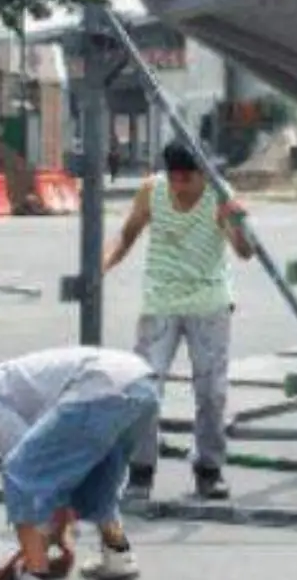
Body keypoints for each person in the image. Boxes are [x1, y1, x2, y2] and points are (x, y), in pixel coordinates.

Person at [106, 141, 254, 501]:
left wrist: (237, 221)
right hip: (161, 302)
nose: (179, 186)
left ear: (202, 173)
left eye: (187, 178)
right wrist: (102, 266)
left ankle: (209, 468)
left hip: (209, 302)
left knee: (211, 391)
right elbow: (127, 234)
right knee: (143, 387)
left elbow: (245, 252)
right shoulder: (152, 190)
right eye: (174, 177)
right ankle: (141, 470)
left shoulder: (221, 194)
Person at [0, 348, 160, 580]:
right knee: (98, 473)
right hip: (141, 385)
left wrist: (49, 535)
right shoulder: (3, 384)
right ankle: (117, 555)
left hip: (101, 388)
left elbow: (32, 472)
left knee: (19, 471)